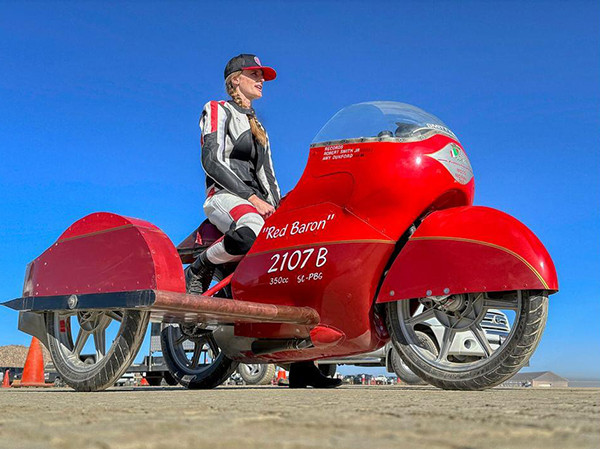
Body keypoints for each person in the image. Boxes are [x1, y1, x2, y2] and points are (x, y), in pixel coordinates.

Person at [189, 54, 341, 389]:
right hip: (224, 197)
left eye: (262, 75)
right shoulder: (216, 109)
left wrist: (283, 212)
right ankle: (199, 268)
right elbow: (211, 160)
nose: (261, 80)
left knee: (297, 262)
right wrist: (250, 198)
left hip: (258, 203)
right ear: (235, 80)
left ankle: (302, 365)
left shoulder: (261, 128)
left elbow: (269, 177)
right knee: (250, 232)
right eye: (254, 74)